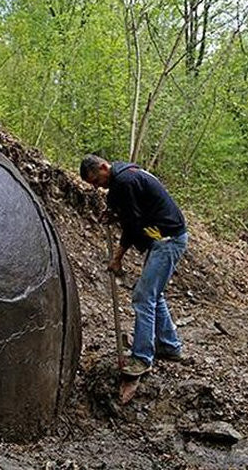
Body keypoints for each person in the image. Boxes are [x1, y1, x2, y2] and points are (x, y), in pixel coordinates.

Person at [79, 154, 188, 377]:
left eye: (97, 181)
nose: (98, 187)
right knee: (153, 295)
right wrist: (113, 213)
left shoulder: (126, 181)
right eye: (93, 185)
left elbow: (132, 224)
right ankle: (169, 346)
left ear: (103, 167)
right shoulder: (123, 177)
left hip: (167, 240)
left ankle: (142, 358)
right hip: (164, 238)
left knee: (143, 296)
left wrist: (118, 257)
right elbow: (129, 211)